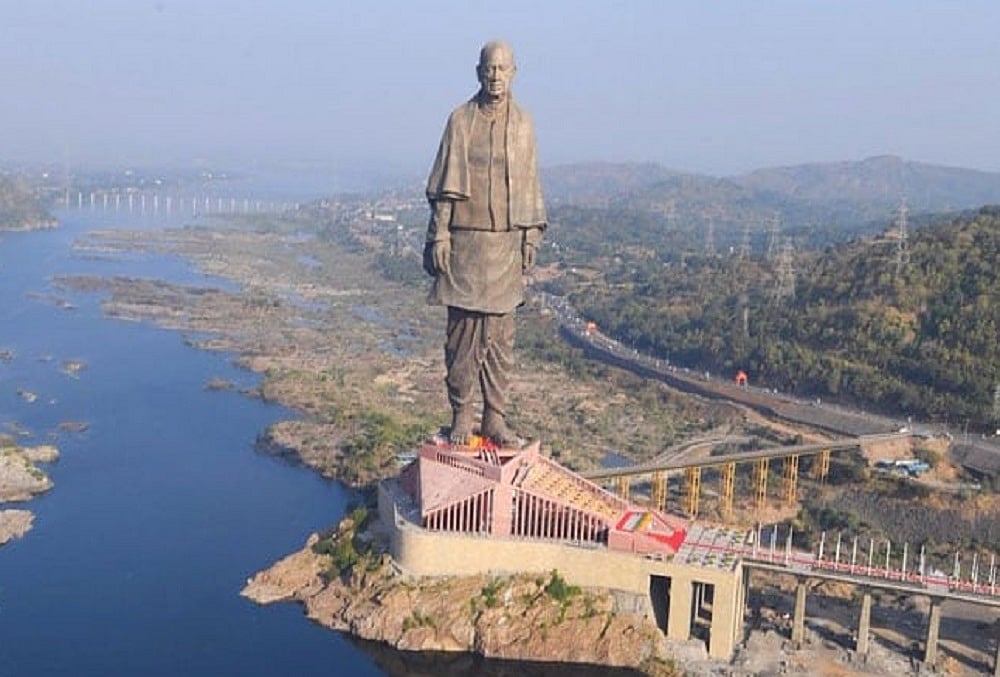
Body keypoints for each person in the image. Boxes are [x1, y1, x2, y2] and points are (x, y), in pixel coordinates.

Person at [423, 40, 547, 446]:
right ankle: (462, 412)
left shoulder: (524, 123)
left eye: (502, 69)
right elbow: (445, 186)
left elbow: (529, 182)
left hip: (506, 243)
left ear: (514, 72)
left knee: (500, 339)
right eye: (489, 68)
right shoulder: (461, 120)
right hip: (466, 242)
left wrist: (530, 236)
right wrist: (441, 232)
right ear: (478, 72)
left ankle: (495, 416)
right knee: (462, 335)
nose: (495, 76)